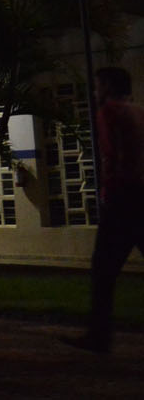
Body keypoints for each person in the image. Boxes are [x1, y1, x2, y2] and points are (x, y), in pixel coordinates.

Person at [67, 67, 144, 353]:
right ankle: (98, 335)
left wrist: (109, 193)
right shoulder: (139, 111)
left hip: (124, 197)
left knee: (103, 269)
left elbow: (114, 154)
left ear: (109, 86)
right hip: (141, 193)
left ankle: (99, 336)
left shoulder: (109, 112)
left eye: (98, 85)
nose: (95, 91)